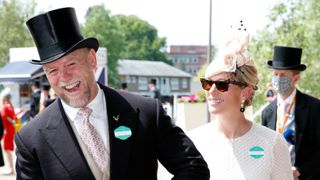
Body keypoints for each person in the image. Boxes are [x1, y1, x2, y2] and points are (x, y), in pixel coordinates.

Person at [14, 7, 210, 180]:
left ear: (91, 59)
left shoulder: (146, 112)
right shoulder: (31, 139)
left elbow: (193, 168)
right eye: (52, 71)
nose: (64, 77)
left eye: (71, 64)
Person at [189, 23, 293, 179]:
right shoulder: (192, 141)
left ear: (246, 91)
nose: (211, 90)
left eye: (222, 84)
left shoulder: (273, 142)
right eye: (207, 83)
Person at [262, 46, 320, 180]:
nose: (278, 78)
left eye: (283, 75)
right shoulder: (267, 112)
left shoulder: (314, 108)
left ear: (296, 78)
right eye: (275, 74)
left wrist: (299, 171)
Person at [0, 88, 16, 175]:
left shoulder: (5, 107)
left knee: (7, 149)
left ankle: (10, 168)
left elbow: (6, 117)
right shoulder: (10, 106)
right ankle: (11, 168)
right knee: (8, 149)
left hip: (6, 130)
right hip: (10, 129)